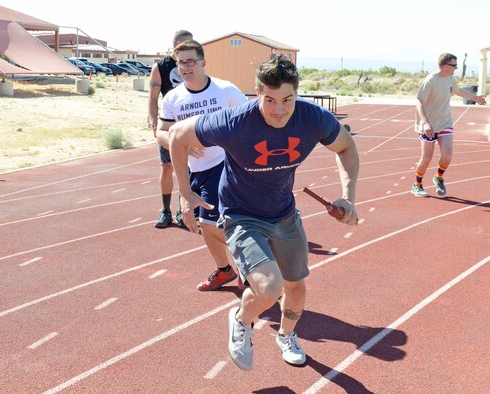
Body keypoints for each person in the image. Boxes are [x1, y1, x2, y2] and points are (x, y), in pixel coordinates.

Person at [170, 54, 360, 370]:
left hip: (284, 212)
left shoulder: (313, 119)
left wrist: (348, 197)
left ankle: (286, 336)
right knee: (269, 288)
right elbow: (177, 136)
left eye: (287, 100)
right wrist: (186, 192)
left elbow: (346, 148)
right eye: (269, 100)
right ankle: (242, 318)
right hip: (241, 214)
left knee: (296, 288)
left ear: (297, 95)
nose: (279, 110)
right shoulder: (234, 122)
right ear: (258, 94)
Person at [156, 40, 247, 291]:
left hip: (225, 164)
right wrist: (181, 144)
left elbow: (250, 120)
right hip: (195, 169)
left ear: (203, 63)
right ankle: (225, 270)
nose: (185, 67)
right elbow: (161, 132)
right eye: (180, 63)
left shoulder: (225, 90)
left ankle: (247, 269)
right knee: (206, 227)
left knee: (210, 222)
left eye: (190, 61)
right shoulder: (174, 98)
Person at [412, 53, 486, 198]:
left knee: (447, 156)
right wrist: (426, 123)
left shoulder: (450, 79)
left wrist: (475, 98)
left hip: (445, 123)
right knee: (426, 158)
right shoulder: (431, 80)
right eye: (454, 65)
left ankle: (438, 177)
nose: (456, 68)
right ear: (445, 66)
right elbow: (419, 101)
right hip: (428, 126)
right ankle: (417, 184)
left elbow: (458, 91)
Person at [148, 29, 193, 228]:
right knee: (167, 167)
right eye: (183, 44)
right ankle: (166, 211)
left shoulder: (195, 63)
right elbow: (152, 97)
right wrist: (153, 123)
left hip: (191, 125)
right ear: (174, 47)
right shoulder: (161, 67)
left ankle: (182, 210)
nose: (187, 49)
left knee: (190, 169)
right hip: (169, 126)